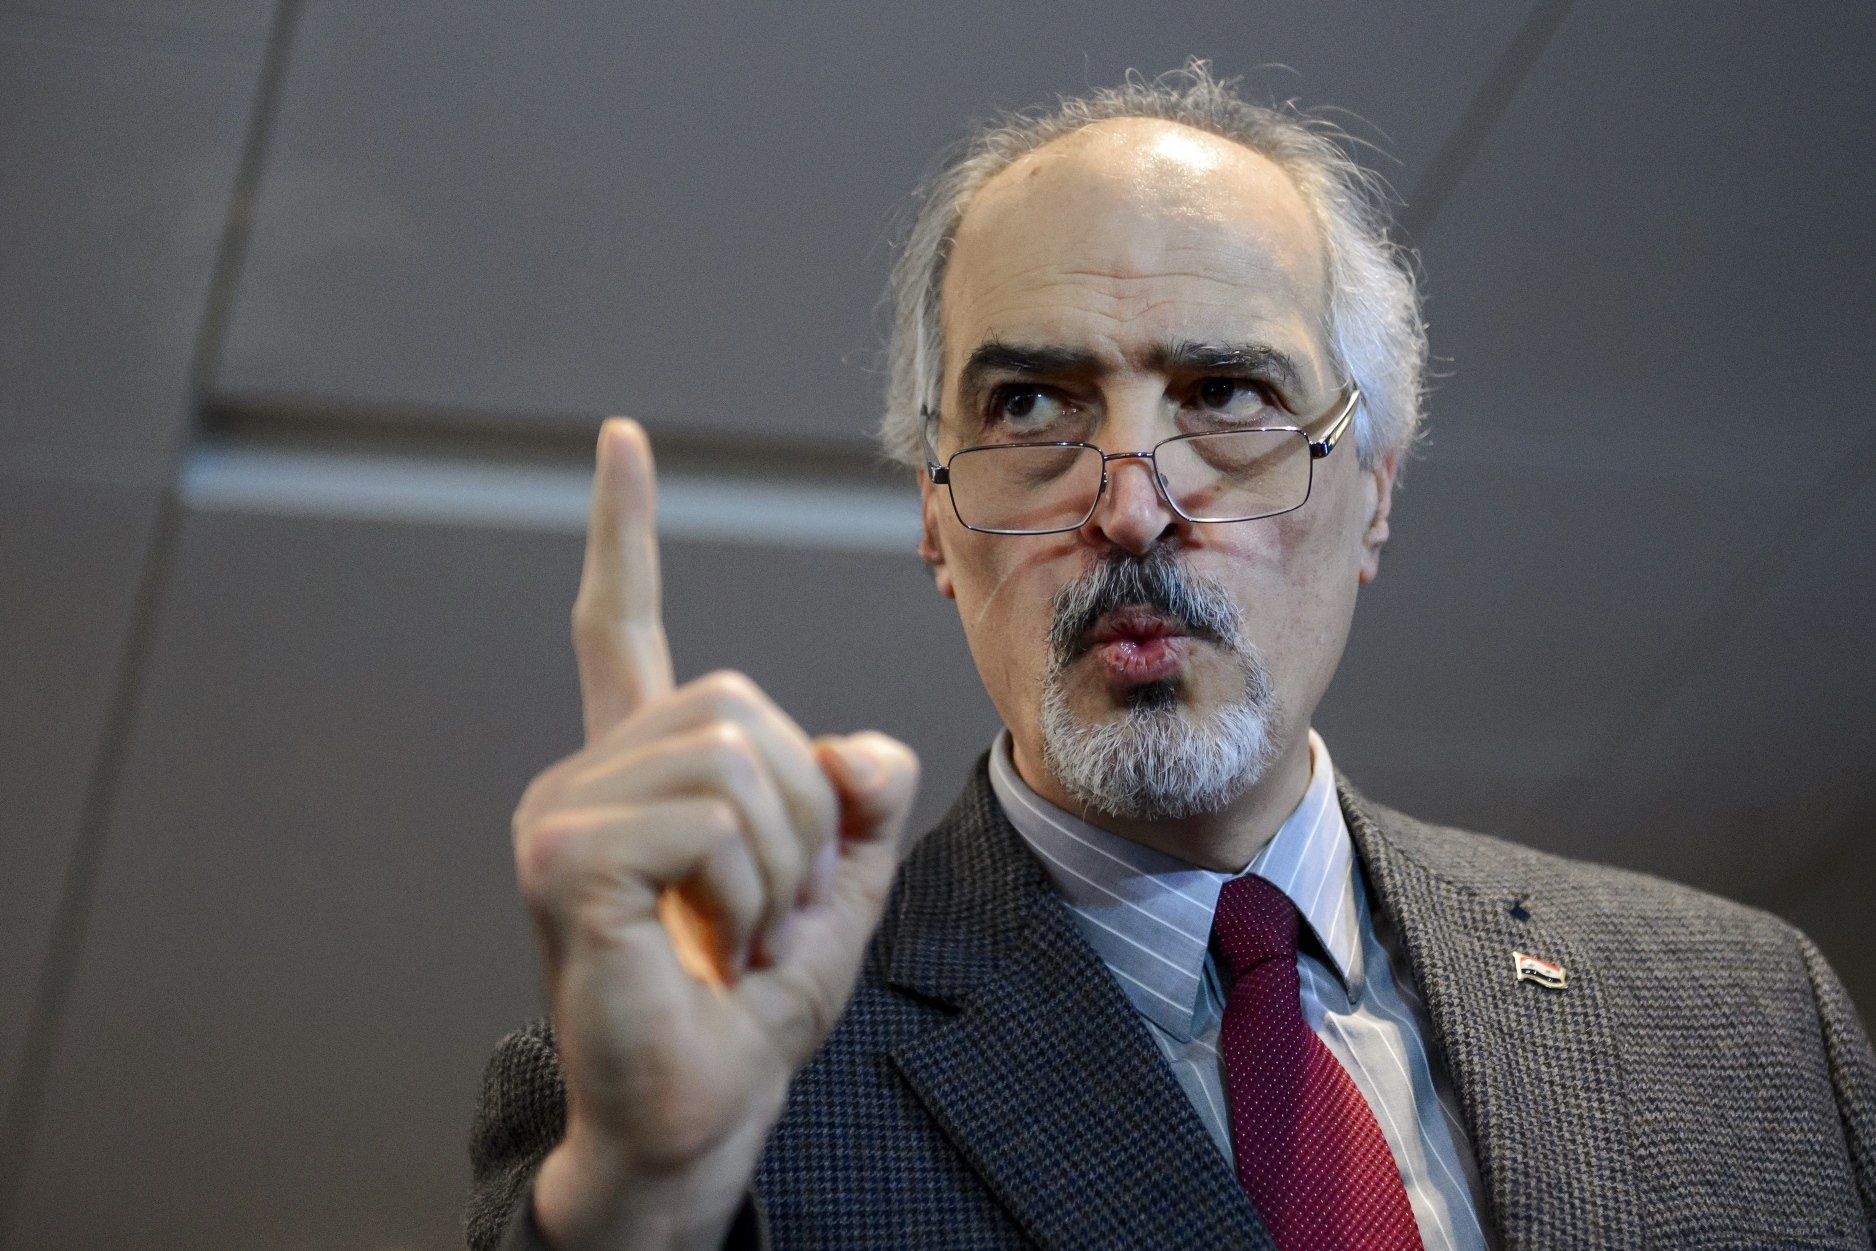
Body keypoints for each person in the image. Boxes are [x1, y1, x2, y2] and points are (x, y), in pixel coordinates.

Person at [466, 66, 1876, 1251]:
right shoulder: (709, 1091)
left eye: (1227, 395)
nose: (1132, 504)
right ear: (937, 519)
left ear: (1372, 492)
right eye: (1030, 404)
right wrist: (647, 1195)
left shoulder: (1749, 1023)